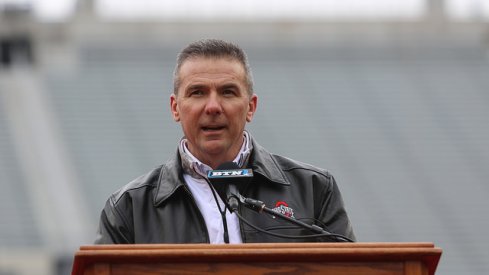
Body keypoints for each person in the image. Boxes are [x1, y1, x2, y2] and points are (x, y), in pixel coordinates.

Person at [95, 39, 355, 244]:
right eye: (197, 92)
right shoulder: (128, 209)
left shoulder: (315, 190)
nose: (213, 106)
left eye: (227, 92)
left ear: (250, 107)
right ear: (176, 108)